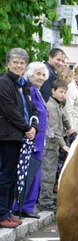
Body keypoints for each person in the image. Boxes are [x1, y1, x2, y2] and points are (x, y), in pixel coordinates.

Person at [0, 48, 38, 229]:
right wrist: (26, 128)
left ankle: (8, 212)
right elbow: (10, 110)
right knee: (5, 176)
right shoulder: (4, 83)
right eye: (15, 62)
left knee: (15, 177)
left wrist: (34, 128)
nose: (18, 65)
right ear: (8, 64)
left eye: (22, 63)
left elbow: (34, 109)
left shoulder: (25, 85)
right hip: (7, 136)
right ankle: (1, 213)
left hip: (20, 137)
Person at [12, 62, 49, 219]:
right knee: (26, 174)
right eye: (37, 74)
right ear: (30, 74)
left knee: (34, 175)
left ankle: (27, 205)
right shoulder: (28, 91)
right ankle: (19, 206)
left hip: (39, 140)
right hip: (31, 139)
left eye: (42, 75)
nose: (40, 77)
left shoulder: (38, 92)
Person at [41, 80, 71, 213]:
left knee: (52, 172)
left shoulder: (58, 105)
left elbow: (64, 118)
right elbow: (53, 128)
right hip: (50, 145)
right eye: (60, 91)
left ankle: (47, 199)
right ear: (53, 91)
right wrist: (64, 145)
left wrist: (70, 127)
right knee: (48, 173)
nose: (63, 94)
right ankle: (45, 201)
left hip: (54, 145)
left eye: (65, 92)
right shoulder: (51, 107)